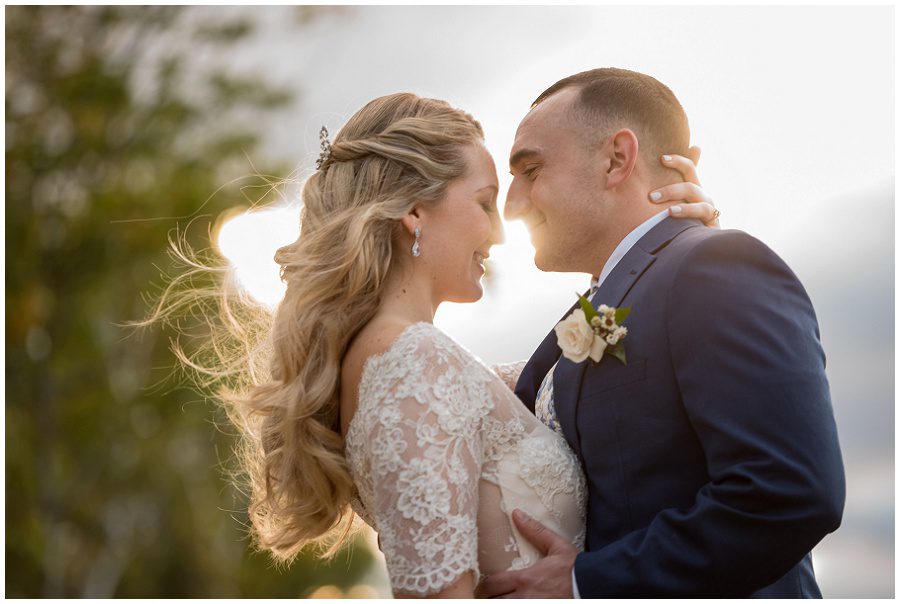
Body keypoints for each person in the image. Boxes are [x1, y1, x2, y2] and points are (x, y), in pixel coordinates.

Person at [149, 91, 718, 598]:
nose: (499, 231)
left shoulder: (418, 361)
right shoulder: (412, 365)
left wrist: (673, 250)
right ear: (415, 212)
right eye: (483, 202)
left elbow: (572, 380)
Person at [477, 68, 846, 598]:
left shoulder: (716, 266)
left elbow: (788, 492)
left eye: (530, 170)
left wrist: (588, 582)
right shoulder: (615, 298)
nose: (512, 207)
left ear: (616, 159)